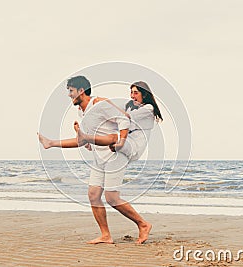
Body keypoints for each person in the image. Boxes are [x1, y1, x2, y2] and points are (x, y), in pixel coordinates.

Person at [38, 76, 152, 244]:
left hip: (115, 155)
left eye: (71, 91)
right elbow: (82, 140)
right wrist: (52, 143)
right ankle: (105, 235)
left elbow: (123, 119)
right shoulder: (81, 112)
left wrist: (120, 141)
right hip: (99, 157)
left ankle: (143, 224)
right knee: (93, 195)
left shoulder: (100, 104)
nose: (69, 95)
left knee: (112, 198)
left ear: (81, 91)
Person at [75, 81, 163, 162]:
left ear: (144, 95)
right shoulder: (130, 106)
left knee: (113, 134)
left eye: (135, 93)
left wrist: (106, 102)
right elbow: (114, 112)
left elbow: (126, 117)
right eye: (131, 92)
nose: (132, 96)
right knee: (107, 124)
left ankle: (87, 139)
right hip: (126, 141)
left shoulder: (149, 108)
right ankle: (89, 140)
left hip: (134, 146)